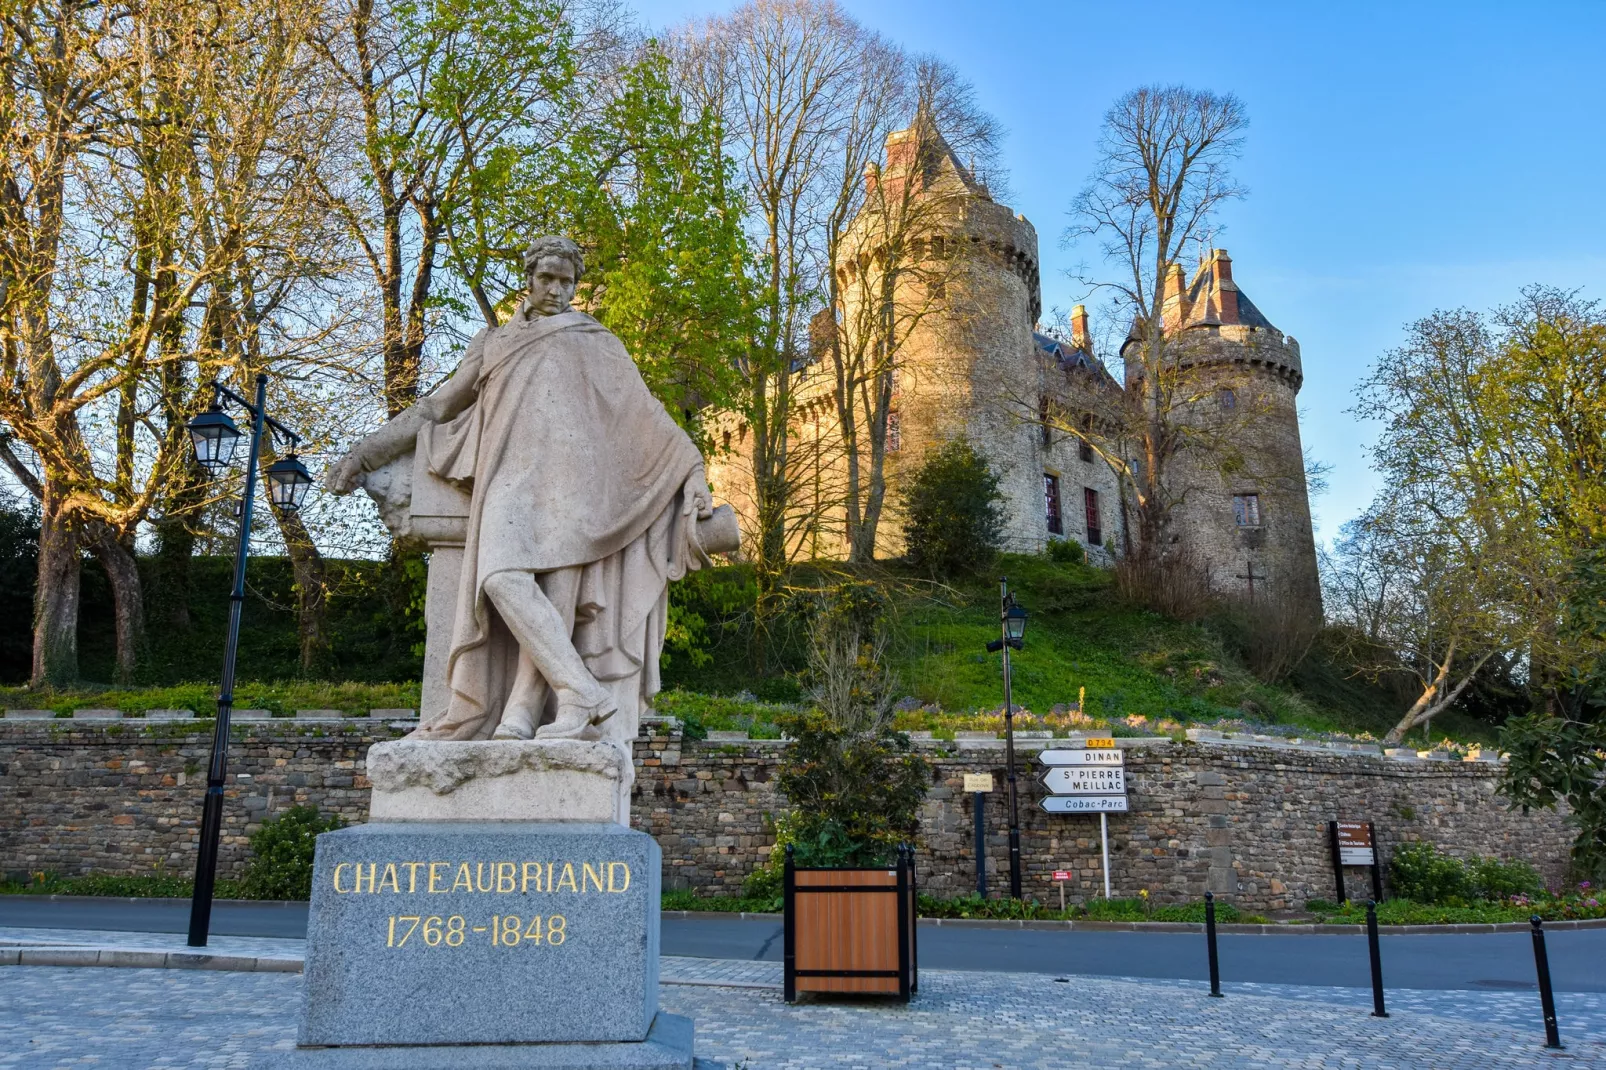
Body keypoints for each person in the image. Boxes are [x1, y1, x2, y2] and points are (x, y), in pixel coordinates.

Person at [328, 236, 714, 750]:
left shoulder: (595, 340)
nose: (556, 290)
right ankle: (579, 689)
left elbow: (647, 417)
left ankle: (526, 716)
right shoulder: (493, 343)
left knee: (556, 600)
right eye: (547, 278)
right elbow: (434, 408)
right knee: (501, 578)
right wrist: (365, 452)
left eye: (566, 281)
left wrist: (694, 472)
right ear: (528, 279)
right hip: (508, 478)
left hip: (576, 486)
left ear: (576, 287)